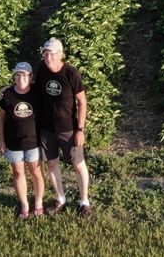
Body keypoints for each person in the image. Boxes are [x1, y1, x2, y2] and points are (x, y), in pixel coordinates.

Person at [35, 37, 92, 216]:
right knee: (52, 164)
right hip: (47, 129)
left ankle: (84, 201)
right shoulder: (42, 70)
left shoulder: (71, 73)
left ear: (61, 55)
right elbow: (33, 90)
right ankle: (61, 198)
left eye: (51, 54)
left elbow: (82, 101)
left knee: (78, 164)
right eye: (46, 54)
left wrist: (80, 129)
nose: (48, 57)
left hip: (69, 129)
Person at [0, 62, 44, 220]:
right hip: (13, 143)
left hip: (33, 142)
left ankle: (38, 203)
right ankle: (24, 205)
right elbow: (1, 118)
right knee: (18, 172)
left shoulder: (37, 92)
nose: (20, 78)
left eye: (24, 75)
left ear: (30, 77)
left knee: (36, 172)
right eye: (18, 74)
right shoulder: (7, 94)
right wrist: (2, 141)